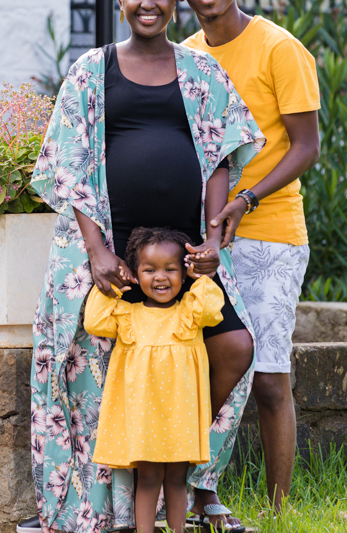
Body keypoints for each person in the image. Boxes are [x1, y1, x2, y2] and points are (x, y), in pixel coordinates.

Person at [28, 0, 265, 533]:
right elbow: (71, 163)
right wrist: (98, 251)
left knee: (234, 346)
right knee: (100, 369)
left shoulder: (201, 70)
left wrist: (213, 240)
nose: (149, 3)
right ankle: (106, 504)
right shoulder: (92, 69)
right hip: (115, 256)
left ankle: (180, 455)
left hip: (180, 257)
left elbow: (219, 158)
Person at [180, 0, 321, 520]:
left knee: (266, 377)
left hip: (270, 232)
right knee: (205, 364)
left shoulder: (279, 49)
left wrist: (248, 198)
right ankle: (199, 492)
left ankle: (279, 509)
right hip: (204, 235)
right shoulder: (185, 54)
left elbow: (307, 146)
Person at [85, 228, 224, 533]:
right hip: (145, 419)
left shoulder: (189, 312)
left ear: (183, 273)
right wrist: (114, 284)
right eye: (149, 270)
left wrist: (199, 276)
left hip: (180, 418)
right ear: (135, 273)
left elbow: (213, 308)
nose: (161, 277)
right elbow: (93, 321)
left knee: (177, 479)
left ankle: (178, 530)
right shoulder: (127, 315)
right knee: (147, 480)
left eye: (171, 269)